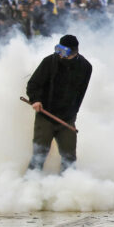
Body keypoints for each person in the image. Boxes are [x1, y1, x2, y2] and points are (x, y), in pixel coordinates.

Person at [25, 35, 93, 172]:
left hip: (67, 120)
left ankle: (66, 186)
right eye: (58, 50)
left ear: (74, 51)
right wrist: (36, 99)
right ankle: (29, 184)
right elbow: (33, 84)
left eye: (64, 51)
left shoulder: (86, 67)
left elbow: (81, 92)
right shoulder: (49, 62)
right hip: (46, 116)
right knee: (39, 155)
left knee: (69, 157)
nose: (60, 54)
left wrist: (73, 113)